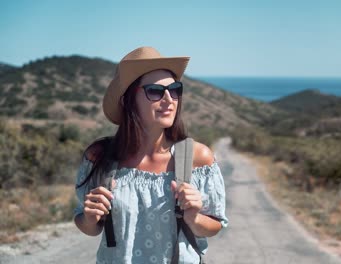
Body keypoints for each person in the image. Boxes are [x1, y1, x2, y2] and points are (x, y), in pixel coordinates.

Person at [73, 46, 228, 263]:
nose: (169, 99)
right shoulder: (100, 156)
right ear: (128, 100)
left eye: (175, 89)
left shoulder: (197, 157)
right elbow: (88, 226)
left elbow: (215, 225)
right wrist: (90, 219)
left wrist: (193, 218)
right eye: (155, 91)